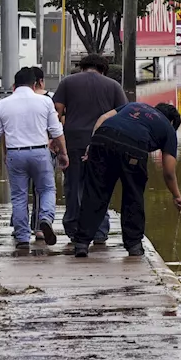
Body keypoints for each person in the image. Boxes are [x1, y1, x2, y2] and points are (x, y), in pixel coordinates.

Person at [73, 101, 181, 258]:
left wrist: (92, 143)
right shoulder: (168, 128)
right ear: (172, 122)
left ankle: (81, 243)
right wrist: (176, 195)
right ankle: (134, 245)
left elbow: (104, 117)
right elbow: (168, 171)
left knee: (94, 191)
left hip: (102, 137)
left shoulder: (134, 105)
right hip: (134, 147)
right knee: (133, 195)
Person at [0, 66, 68, 250]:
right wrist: (63, 153)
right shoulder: (45, 102)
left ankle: (22, 237)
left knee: (19, 196)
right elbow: (56, 131)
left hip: (15, 154)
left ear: (14, 85)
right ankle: (45, 219)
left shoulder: (3, 104)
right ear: (35, 84)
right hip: (40, 152)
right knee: (47, 189)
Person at [52, 54, 126, 243]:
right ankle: (100, 231)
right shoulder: (113, 86)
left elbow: (56, 112)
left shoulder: (67, 83)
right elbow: (123, 115)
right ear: (103, 69)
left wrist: (53, 140)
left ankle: (73, 229)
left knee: (73, 185)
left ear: (82, 67)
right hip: (103, 142)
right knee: (100, 186)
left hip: (73, 141)